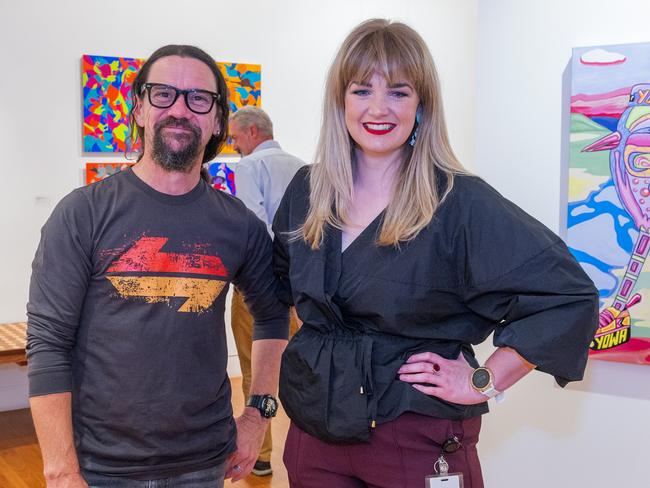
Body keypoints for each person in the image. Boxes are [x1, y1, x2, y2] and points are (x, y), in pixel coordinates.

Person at [272, 19, 599, 488]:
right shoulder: (307, 191)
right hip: (315, 434)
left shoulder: (459, 201)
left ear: (422, 104)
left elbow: (568, 297)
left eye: (399, 92)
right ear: (340, 101)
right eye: (362, 90)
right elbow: (282, 286)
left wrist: (483, 379)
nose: (379, 108)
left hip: (415, 436)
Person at [27, 44, 288, 488]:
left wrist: (258, 416)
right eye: (163, 93)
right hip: (100, 466)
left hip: (206, 462)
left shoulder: (237, 224)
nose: (180, 109)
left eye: (198, 98)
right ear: (140, 109)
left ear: (217, 121)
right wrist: (60, 469)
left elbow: (272, 314)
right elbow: (48, 343)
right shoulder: (83, 214)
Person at [229, 106, 304, 476]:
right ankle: (310, 447)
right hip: (303, 285)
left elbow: (253, 226)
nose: (233, 145)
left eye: (235, 138)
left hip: (259, 283)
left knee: (254, 366)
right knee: (307, 364)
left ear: (253, 131)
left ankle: (260, 455)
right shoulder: (303, 167)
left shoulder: (248, 168)